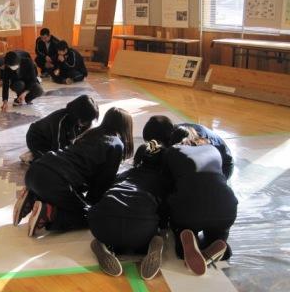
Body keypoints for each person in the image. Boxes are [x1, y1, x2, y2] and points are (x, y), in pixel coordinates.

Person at [13, 107, 134, 237]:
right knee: (92, 216)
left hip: (36, 170)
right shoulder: (116, 145)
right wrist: (91, 207)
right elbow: (101, 185)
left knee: (69, 199)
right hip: (54, 181)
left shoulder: (90, 133)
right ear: (126, 127)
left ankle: (33, 197)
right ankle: (49, 213)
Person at [88, 140, 170, 279]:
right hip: (140, 230)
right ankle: (148, 246)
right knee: (153, 231)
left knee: (115, 225)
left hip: (100, 223)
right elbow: (164, 213)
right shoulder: (162, 180)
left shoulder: (124, 174)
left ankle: (105, 244)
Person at [164, 138, 238, 276]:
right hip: (227, 208)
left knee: (182, 234)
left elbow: (166, 186)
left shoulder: (173, 151)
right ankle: (220, 244)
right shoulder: (214, 149)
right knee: (218, 234)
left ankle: (186, 236)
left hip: (190, 211)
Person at [142, 115, 234, 179]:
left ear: (163, 139)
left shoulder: (189, 141)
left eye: (154, 142)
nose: (153, 146)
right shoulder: (173, 133)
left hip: (223, 165)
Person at [19, 95, 99, 163]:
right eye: (85, 120)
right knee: (52, 162)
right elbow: (57, 149)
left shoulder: (85, 121)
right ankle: (33, 155)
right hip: (38, 139)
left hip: (55, 139)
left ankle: (36, 154)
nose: (87, 123)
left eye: (89, 120)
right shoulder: (59, 121)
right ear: (77, 113)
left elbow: (80, 141)